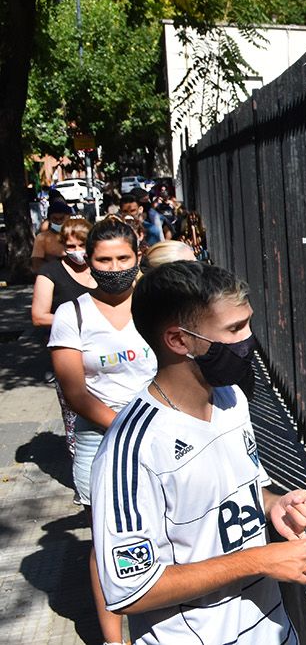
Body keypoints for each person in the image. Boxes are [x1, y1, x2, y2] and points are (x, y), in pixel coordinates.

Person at [91, 261, 306, 644]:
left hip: (273, 631)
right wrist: (259, 560)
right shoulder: (130, 450)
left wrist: (272, 505)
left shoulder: (232, 398)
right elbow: (131, 590)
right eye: (234, 329)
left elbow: (242, 487)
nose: (249, 340)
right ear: (179, 341)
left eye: (247, 323)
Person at [48, 216, 158, 645]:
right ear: (88, 263)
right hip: (102, 440)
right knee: (110, 540)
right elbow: (75, 392)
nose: (114, 267)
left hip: (164, 433)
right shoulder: (71, 313)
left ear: (138, 257)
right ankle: (115, 639)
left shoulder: (158, 303)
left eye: (123, 258)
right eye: (104, 259)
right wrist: (128, 428)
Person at [32, 216, 97, 458]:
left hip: (105, 352)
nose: (77, 252)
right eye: (70, 247)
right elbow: (39, 316)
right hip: (70, 356)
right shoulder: (51, 272)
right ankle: (81, 473)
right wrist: (79, 320)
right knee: (75, 416)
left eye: (82, 246)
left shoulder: (101, 267)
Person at [31, 200, 72, 272]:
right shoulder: (42, 238)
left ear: (69, 217)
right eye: (55, 219)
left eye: (61, 218)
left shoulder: (78, 235)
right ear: (49, 220)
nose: (59, 222)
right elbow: (36, 264)